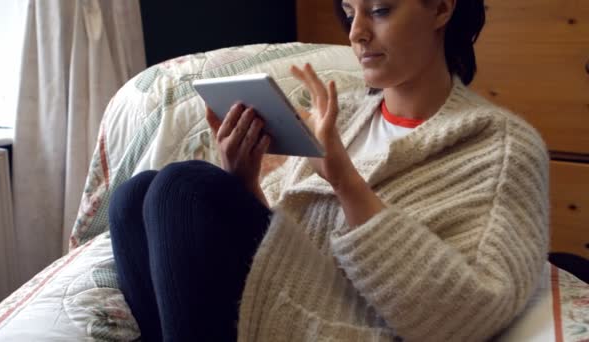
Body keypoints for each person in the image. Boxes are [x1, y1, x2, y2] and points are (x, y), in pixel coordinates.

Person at [109, 0, 550, 340]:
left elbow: (470, 314)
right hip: (277, 299)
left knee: (184, 187)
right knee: (134, 195)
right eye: (348, 10)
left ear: (441, 7)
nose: (357, 33)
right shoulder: (345, 117)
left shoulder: (504, 146)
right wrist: (242, 179)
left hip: (341, 325)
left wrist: (344, 179)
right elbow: (289, 240)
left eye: (379, 10)